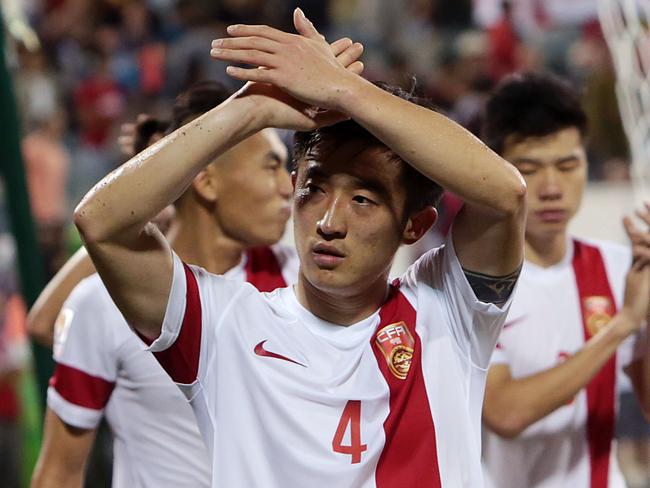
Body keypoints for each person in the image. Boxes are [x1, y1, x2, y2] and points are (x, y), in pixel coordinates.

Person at [74, 9, 526, 487]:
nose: (330, 222)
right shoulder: (223, 327)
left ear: (415, 225)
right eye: (315, 189)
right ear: (293, 190)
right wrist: (253, 109)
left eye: (363, 199)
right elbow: (100, 222)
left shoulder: (449, 311)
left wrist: (346, 91)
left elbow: (505, 194)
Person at [29, 74, 317, 486]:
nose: (286, 188)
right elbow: (59, 471)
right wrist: (143, 203)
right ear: (206, 180)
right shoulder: (103, 302)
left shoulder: (303, 284)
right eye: (270, 167)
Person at [480, 72, 650, 488]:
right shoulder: (473, 285)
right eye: (530, 169)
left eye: (568, 165)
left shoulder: (616, 267)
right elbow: (506, 414)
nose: (552, 188)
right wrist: (623, 324)